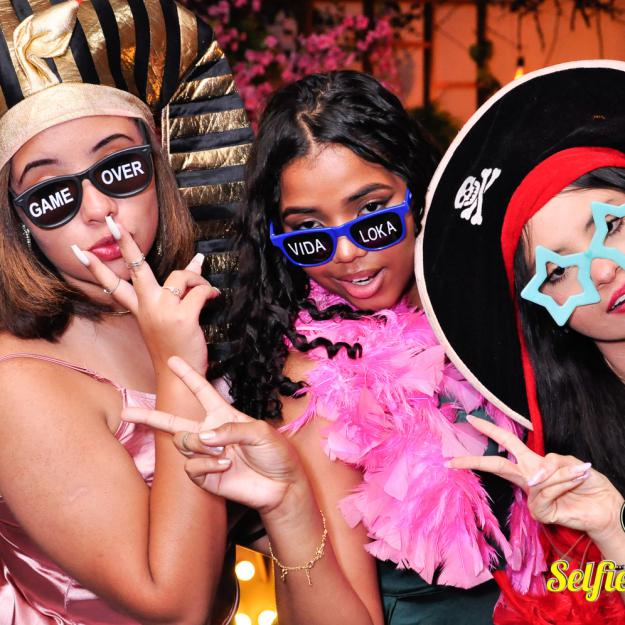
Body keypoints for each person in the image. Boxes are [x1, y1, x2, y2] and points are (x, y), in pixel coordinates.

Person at [119, 70, 525, 625]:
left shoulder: (498, 299)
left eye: (372, 214)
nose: (347, 252)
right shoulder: (318, 384)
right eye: (310, 232)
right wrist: (287, 506)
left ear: (418, 190)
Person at [0, 0, 253, 622]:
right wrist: (177, 367)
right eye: (52, 193)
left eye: (119, 168)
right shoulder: (17, 387)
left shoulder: (162, 311)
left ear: (159, 172)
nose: (98, 208)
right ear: (18, 222)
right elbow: (176, 606)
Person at [417, 60, 625, 624]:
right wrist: (614, 531)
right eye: (558, 271)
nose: (602, 271)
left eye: (611, 226)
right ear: (543, 309)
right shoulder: (567, 466)